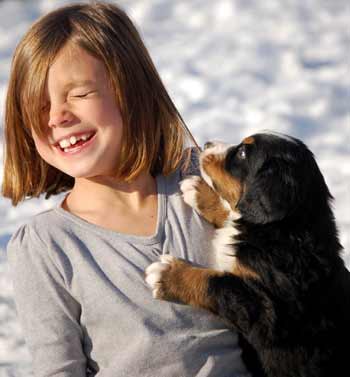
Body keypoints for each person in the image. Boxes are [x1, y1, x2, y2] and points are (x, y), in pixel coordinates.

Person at [3, 2, 249, 376]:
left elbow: (299, 282)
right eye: (38, 106)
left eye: (80, 94)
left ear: (131, 89)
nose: (56, 117)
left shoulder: (205, 181)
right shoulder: (46, 245)